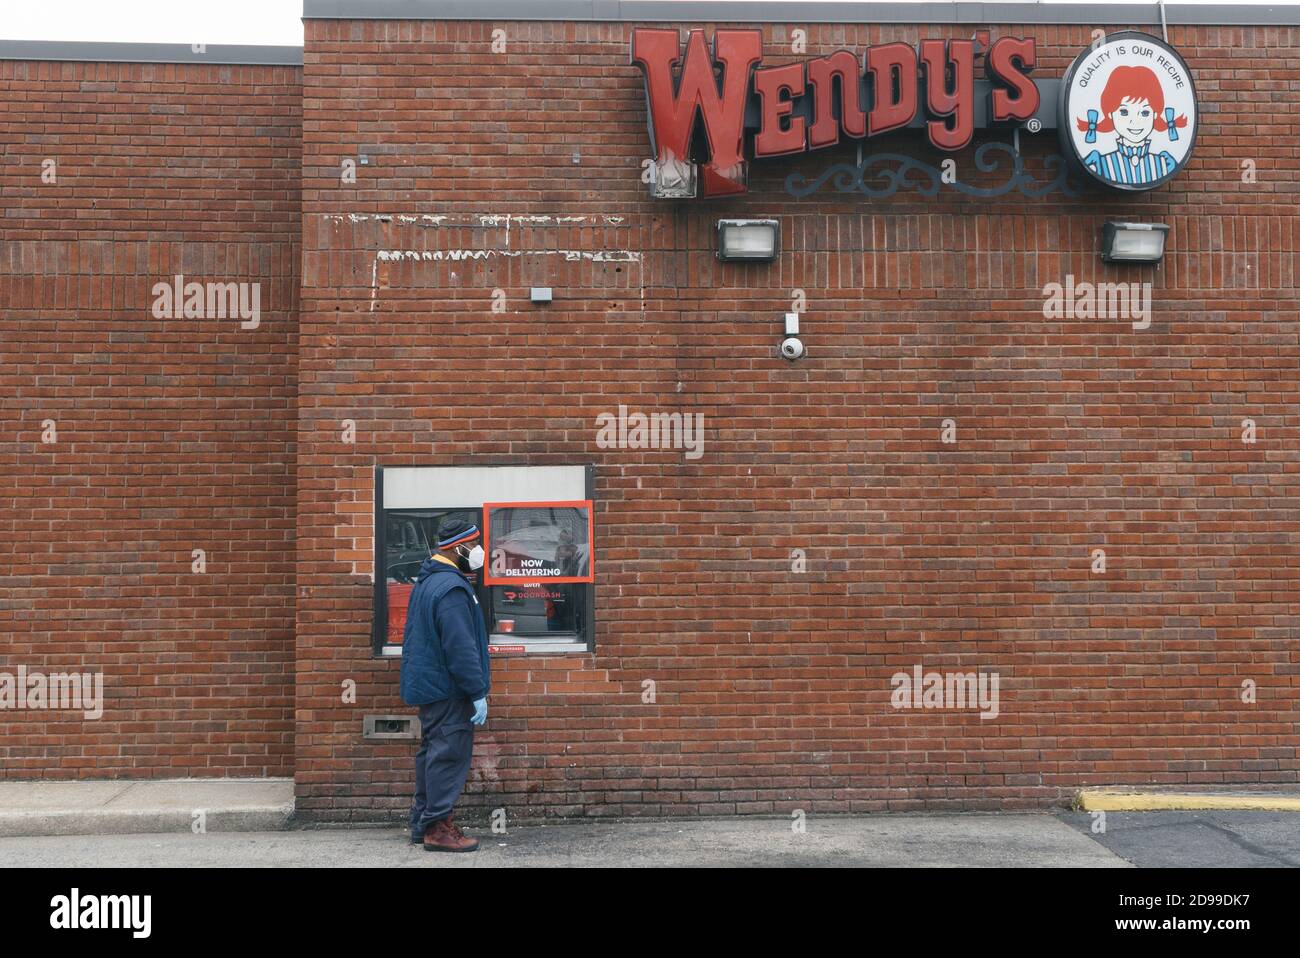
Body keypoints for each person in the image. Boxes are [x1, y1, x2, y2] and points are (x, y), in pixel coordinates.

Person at [401, 516, 490, 852]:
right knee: (448, 755)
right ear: (459, 547)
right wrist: (477, 691)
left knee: (431, 755)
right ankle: (438, 829)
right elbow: (461, 648)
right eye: (475, 544)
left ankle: (421, 823)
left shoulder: (428, 581)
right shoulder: (451, 589)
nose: (479, 551)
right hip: (449, 689)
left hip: (431, 685)